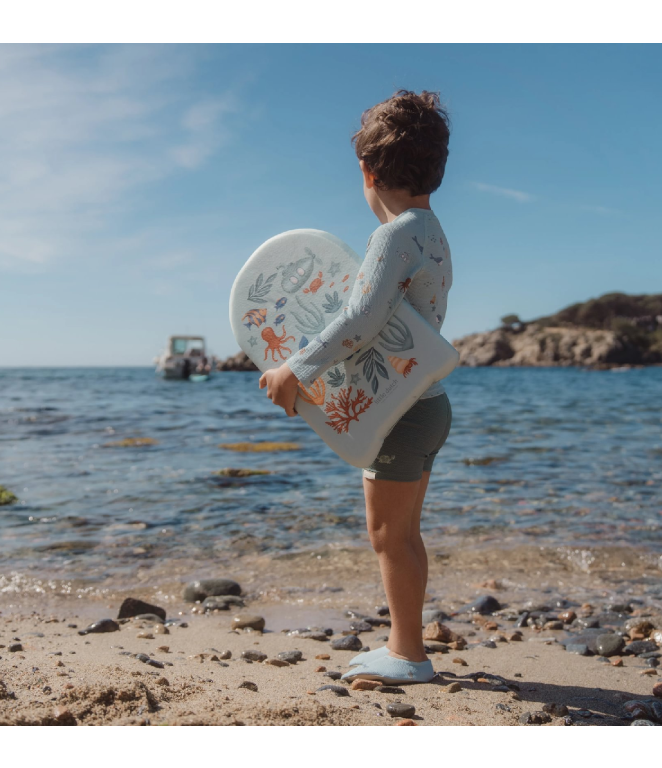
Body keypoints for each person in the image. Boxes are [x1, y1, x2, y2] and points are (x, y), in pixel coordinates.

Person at [259, 90, 453, 685]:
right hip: (428, 405)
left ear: (367, 171)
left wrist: (296, 368)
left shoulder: (392, 237)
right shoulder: (433, 232)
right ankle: (405, 645)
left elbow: (360, 320)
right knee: (405, 534)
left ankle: (409, 656)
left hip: (398, 413)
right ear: (437, 167)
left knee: (387, 536)